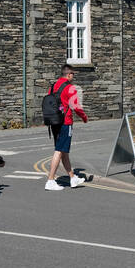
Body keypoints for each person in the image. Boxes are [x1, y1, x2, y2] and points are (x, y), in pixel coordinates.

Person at [45, 64, 89, 192]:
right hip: (65, 122)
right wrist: (84, 117)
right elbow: (76, 106)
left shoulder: (52, 87)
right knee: (59, 150)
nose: (73, 76)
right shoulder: (70, 88)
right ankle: (50, 180)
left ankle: (72, 177)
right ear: (68, 74)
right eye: (73, 74)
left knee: (64, 151)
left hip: (54, 122)